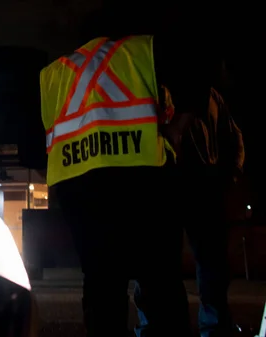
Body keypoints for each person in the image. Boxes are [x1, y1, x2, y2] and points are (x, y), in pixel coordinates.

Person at [40, 9, 214, 337]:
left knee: (101, 290)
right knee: (161, 286)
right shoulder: (143, 50)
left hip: (82, 195)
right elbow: (199, 68)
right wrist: (177, 129)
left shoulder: (55, 73)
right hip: (144, 185)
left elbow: (40, 143)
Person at [135, 85, 245, 337]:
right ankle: (191, 327)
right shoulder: (203, 92)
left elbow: (232, 135)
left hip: (193, 182)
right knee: (163, 264)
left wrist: (230, 175)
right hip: (175, 182)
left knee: (202, 265)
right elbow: (233, 136)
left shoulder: (206, 93)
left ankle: (175, 327)